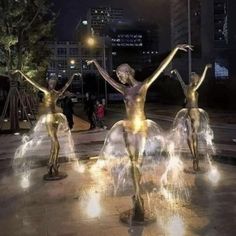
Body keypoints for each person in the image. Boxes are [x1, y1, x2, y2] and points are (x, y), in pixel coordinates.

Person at [87, 44, 191, 222]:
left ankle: (137, 194)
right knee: (133, 161)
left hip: (141, 127)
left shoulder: (144, 85)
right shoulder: (124, 89)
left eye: (121, 74)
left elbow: (161, 67)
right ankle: (137, 196)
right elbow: (106, 78)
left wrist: (174, 50)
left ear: (128, 72)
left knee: (138, 162)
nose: (119, 78)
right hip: (127, 128)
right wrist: (96, 63)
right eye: (118, 75)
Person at [13, 70, 78, 178]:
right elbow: (33, 83)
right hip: (50, 118)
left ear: (55, 84)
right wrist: (21, 73)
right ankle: (52, 163)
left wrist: (73, 75)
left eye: (54, 83)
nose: (52, 84)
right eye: (51, 83)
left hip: (55, 118)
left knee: (54, 143)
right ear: (48, 83)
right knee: (55, 142)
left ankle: (52, 164)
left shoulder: (57, 93)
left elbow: (66, 85)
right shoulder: (47, 91)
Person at [171, 64, 212, 171]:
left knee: (194, 135)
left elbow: (202, 79)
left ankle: (196, 158)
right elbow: (181, 82)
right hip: (187, 112)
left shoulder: (194, 87)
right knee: (189, 136)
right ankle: (194, 156)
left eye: (193, 77)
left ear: (196, 79)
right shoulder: (186, 88)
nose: (192, 78)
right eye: (191, 77)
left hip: (195, 112)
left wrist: (205, 68)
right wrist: (176, 72)